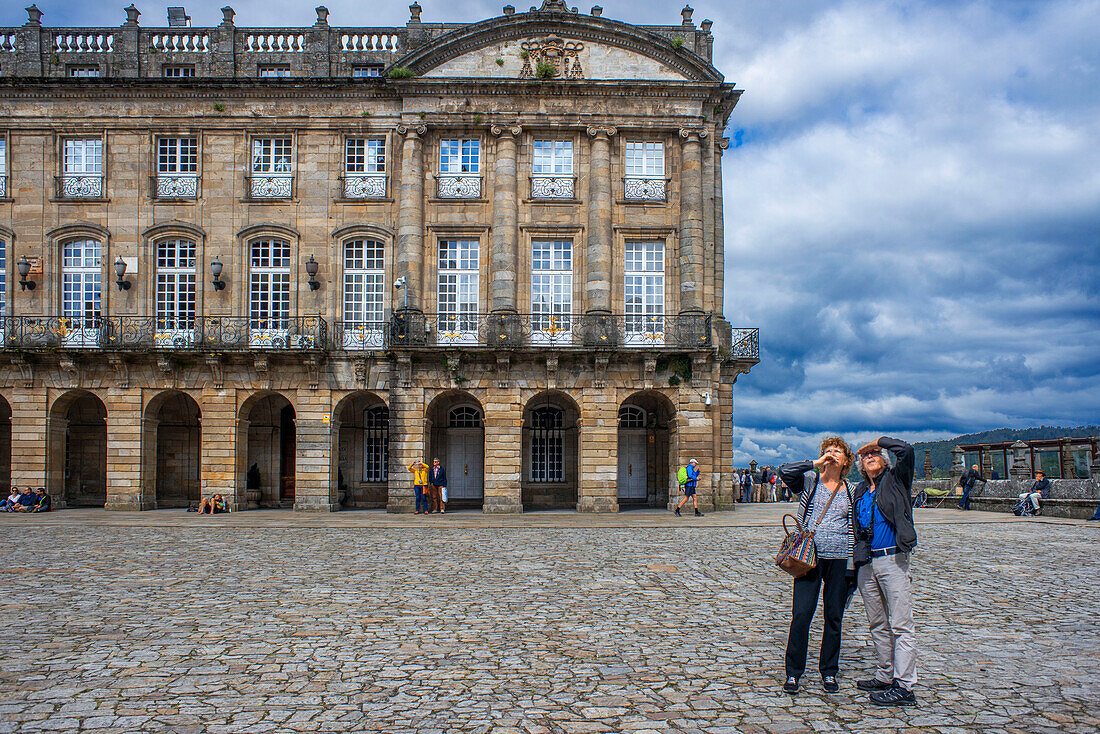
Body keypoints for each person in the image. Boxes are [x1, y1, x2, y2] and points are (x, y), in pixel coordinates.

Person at [778, 438, 857, 695]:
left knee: (833, 616)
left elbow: (856, 527)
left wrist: (854, 565)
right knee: (802, 614)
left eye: (837, 451)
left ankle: (829, 671)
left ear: (846, 460)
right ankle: (793, 673)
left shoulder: (851, 490)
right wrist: (814, 463)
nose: (832, 454)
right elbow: (785, 471)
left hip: (839, 560)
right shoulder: (810, 482)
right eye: (827, 451)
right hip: (808, 558)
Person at [853, 437, 918, 706]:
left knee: (901, 624)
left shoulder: (897, 479)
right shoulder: (859, 490)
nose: (870, 456)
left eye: (875, 453)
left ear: (884, 459)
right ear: (860, 465)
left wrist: (878, 441)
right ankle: (885, 674)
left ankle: (904, 685)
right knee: (877, 623)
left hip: (893, 560)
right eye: (865, 455)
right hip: (868, 564)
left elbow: (907, 451)